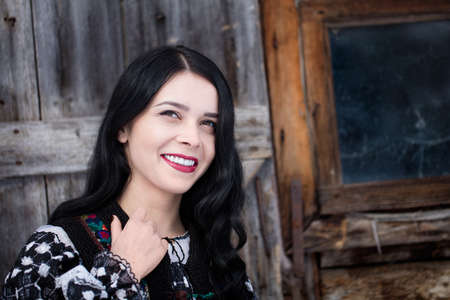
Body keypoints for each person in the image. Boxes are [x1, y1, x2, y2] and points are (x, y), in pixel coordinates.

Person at [1, 45, 257, 299]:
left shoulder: (220, 257)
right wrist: (119, 274)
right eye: (171, 113)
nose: (193, 138)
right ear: (123, 127)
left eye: (208, 123)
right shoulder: (54, 250)